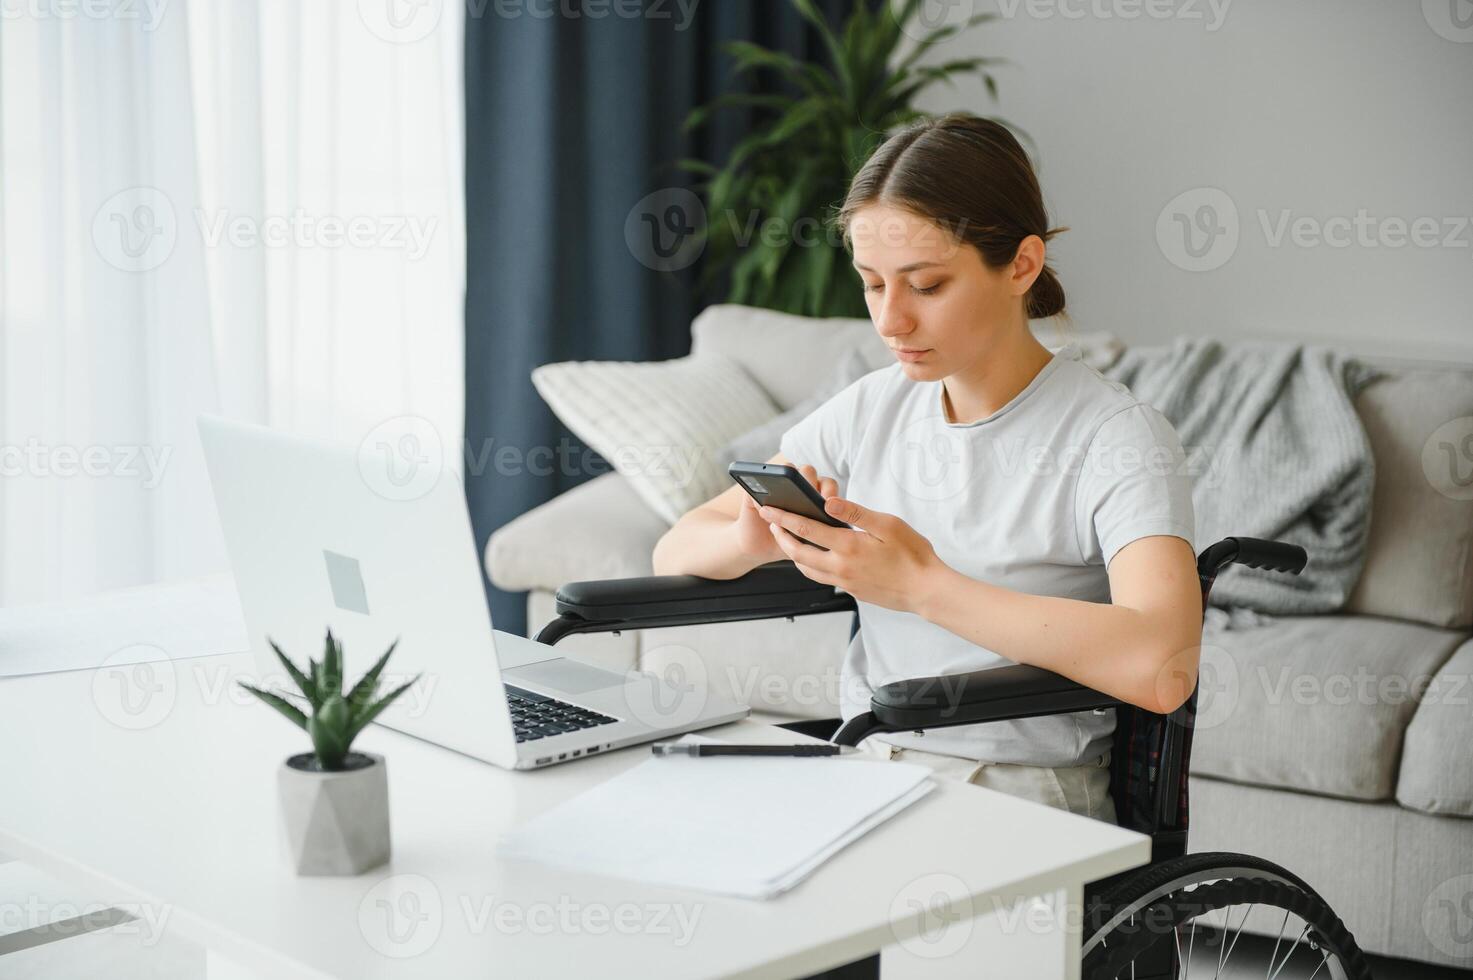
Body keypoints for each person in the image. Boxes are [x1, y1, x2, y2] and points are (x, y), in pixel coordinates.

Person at [652, 113, 1202, 824]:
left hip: (1017, 790)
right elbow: (674, 548)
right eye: (872, 284)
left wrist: (920, 586)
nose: (889, 321)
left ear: (1021, 265)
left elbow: (1162, 667)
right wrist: (747, 540)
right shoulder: (872, 409)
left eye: (925, 285)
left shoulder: (1115, 436)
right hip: (869, 764)